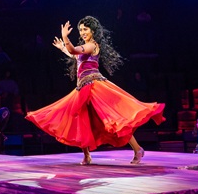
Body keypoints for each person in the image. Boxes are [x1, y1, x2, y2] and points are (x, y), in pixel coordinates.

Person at [27, 16, 165, 165]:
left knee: (114, 119)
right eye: (80, 30)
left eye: (85, 29)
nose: (82, 32)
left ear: (93, 30)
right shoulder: (85, 48)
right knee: (82, 120)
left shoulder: (92, 45)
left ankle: (137, 149)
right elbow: (76, 57)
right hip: (82, 88)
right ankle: (87, 155)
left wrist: (66, 38)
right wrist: (63, 49)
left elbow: (74, 50)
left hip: (95, 87)